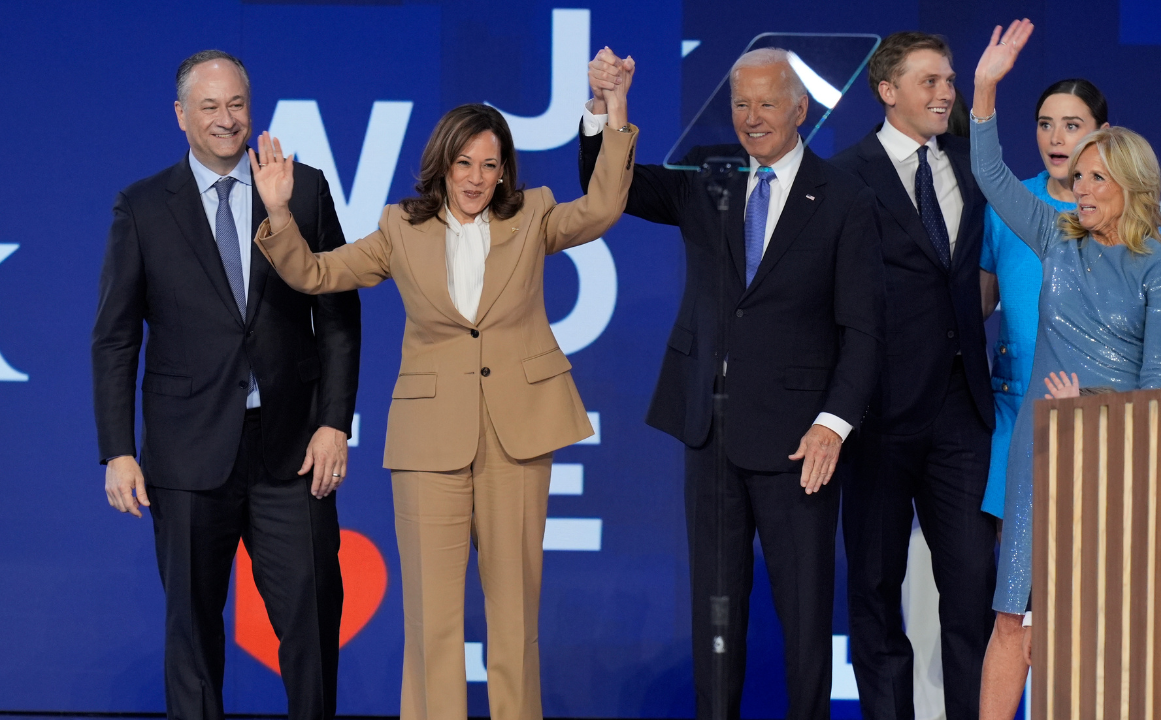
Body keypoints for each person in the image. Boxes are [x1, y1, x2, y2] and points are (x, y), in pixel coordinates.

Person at [250, 59, 636, 719]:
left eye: (490, 166)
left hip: (517, 435)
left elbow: (603, 207)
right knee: (432, 619)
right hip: (430, 444)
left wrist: (612, 109)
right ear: (442, 165)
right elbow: (314, 274)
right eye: (464, 164)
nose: (477, 179)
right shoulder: (401, 228)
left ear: (505, 172)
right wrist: (280, 213)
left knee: (514, 616)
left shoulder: (534, 216)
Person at [579, 47, 883, 720]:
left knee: (805, 617)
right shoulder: (707, 177)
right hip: (710, 428)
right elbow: (611, 188)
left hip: (800, 441)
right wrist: (606, 109)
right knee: (716, 617)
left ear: (799, 109)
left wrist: (834, 423)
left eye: (767, 103)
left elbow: (864, 329)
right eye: (741, 104)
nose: (752, 118)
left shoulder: (844, 199)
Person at [91, 50, 361, 720]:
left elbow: (339, 320)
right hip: (185, 454)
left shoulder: (304, 191)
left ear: (252, 106)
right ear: (181, 116)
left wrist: (334, 422)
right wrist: (118, 449)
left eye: (236, 104)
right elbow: (116, 336)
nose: (225, 119)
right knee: (191, 632)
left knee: (312, 617)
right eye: (208, 107)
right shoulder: (144, 206)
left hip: (291, 448)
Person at [968, 20, 1161, 720]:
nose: (1080, 188)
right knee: (1012, 619)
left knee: (1093, 627)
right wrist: (985, 87)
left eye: (1095, 178)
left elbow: (1157, 383)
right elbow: (991, 174)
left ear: (1130, 184)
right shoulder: (1053, 239)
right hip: (1041, 452)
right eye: (1078, 176)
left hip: (1113, 458)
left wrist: (1090, 401)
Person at [828, 32, 996, 720]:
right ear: (886, 90)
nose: (945, 93)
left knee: (970, 595)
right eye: (929, 81)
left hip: (961, 411)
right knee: (874, 591)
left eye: (950, 81)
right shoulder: (842, 175)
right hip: (878, 416)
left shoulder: (973, 165)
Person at [978, 79, 1109, 520]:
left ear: (1101, 133)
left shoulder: (1135, 220)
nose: (1056, 138)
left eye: (1072, 125)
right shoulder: (1005, 207)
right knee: (1019, 575)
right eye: (1045, 125)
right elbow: (976, 306)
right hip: (1016, 415)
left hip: (1099, 419)